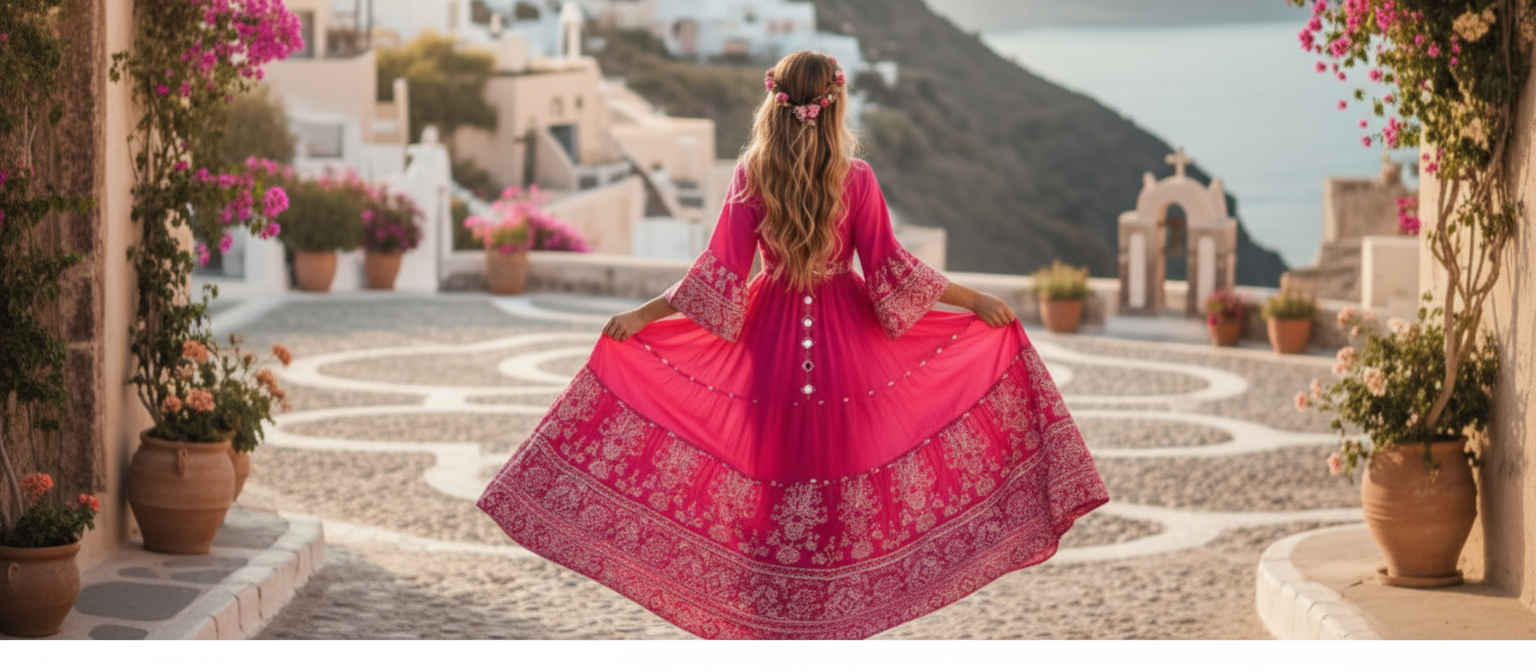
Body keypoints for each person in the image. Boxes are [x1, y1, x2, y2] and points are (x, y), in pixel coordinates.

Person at [478, 51, 1108, 639]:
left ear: (775, 105)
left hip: (767, 350)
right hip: (849, 357)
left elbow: (719, 271)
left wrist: (644, 315)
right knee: (838, 496)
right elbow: (889, 269)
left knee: (767, 489)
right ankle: (833, 629)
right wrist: (974, 303)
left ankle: (765, 629)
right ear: (834, 104)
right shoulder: (855, 178)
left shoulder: (753, 175)